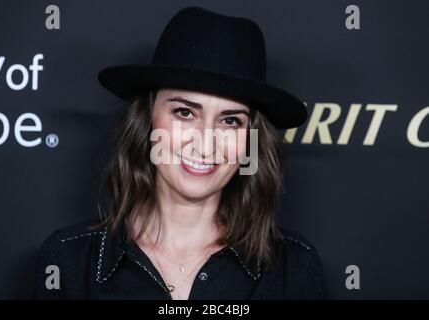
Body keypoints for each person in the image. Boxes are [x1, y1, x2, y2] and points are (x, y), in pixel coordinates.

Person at [34, 6, 327, 300]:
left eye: (230, 121)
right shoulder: (69, 261)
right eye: (184, 112)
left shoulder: (294, 267)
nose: (205, 144)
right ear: (147, 121)